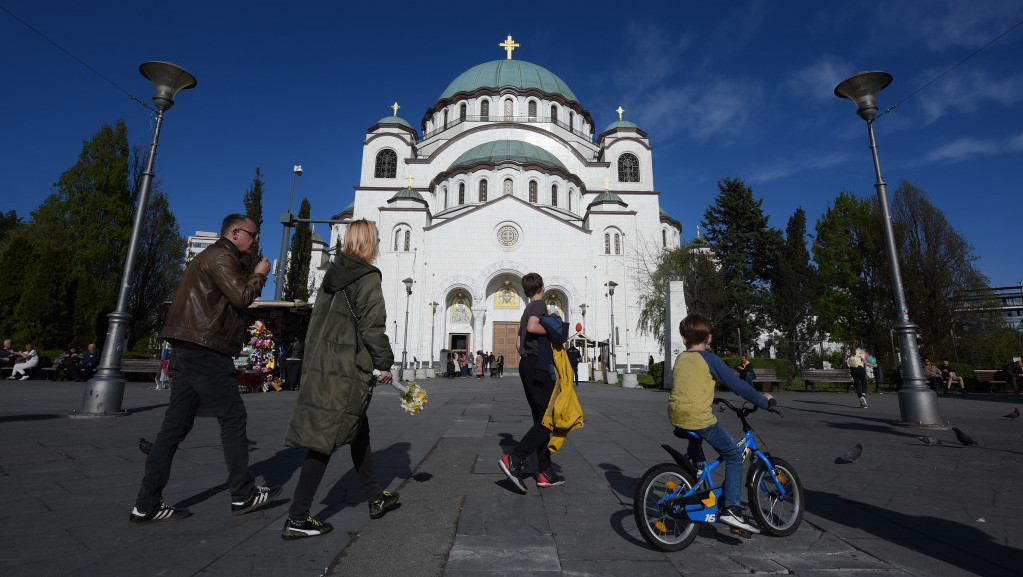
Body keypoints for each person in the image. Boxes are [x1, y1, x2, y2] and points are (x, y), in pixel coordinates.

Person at [129, 214, 280, 527]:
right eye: (252, 234)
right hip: (205, 347)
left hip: (188, 345)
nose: (255, 240)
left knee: (174, 427)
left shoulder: (207, 256)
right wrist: (259, 275)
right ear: (235, 232)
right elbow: (241, 298)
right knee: (233, 418)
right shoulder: (223, 256)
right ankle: (243, 493)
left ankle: (146, 505)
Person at [282, 219, 399, 540]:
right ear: (369, 243)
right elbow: (372, 327)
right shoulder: (367, 277)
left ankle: (375, 495)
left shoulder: (332, 276)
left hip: (323, 364)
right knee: (324, 440)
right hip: (346, 369)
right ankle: (297, 517)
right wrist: (384, 363)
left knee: (357, 428)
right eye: (376, 239)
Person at [669, 312, 773, 533]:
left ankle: (693, 476)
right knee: (734, 455)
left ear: (684, 339)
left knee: (697, 454)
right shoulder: (710, 359)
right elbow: (738, 385)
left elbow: (690, 384)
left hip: (677, 416)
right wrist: (763, 401)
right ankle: (732, 509)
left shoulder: (680, 358)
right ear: (709, 338)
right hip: (699, 418)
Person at [499, 272, 565, 492]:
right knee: (550, 418)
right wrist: (551, 331)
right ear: (542, 287)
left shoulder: (526, 310)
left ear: (526, 292)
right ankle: (515, 459)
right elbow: (532, 329)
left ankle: (544, 472)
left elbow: (519, 344)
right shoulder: (539, 306)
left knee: (541, 417)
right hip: (537, 365)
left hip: (526, 364)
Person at [845, 340, 876, 408]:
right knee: (864, 383)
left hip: (852, 369)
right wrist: (874, 365)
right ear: (859, 345)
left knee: (857, 385)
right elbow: (866, 363)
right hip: (860, 369)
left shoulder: (848, 351)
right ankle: (863, 396)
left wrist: (848, 366)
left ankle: (861, 400)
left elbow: (845, 361)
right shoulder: (860, 351)